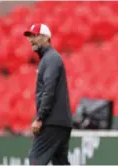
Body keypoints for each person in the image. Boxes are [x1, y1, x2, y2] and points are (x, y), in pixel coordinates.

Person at [23, 23, 73, 165]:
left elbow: (49, 89)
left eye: (35, 35)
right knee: (60, 162)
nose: (31, 39)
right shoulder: (49, 58)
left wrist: (40, 118)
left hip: (51, 122)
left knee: (35, 159)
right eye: (29, 36)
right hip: (60, 122)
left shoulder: (51, 58)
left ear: (46, 38)